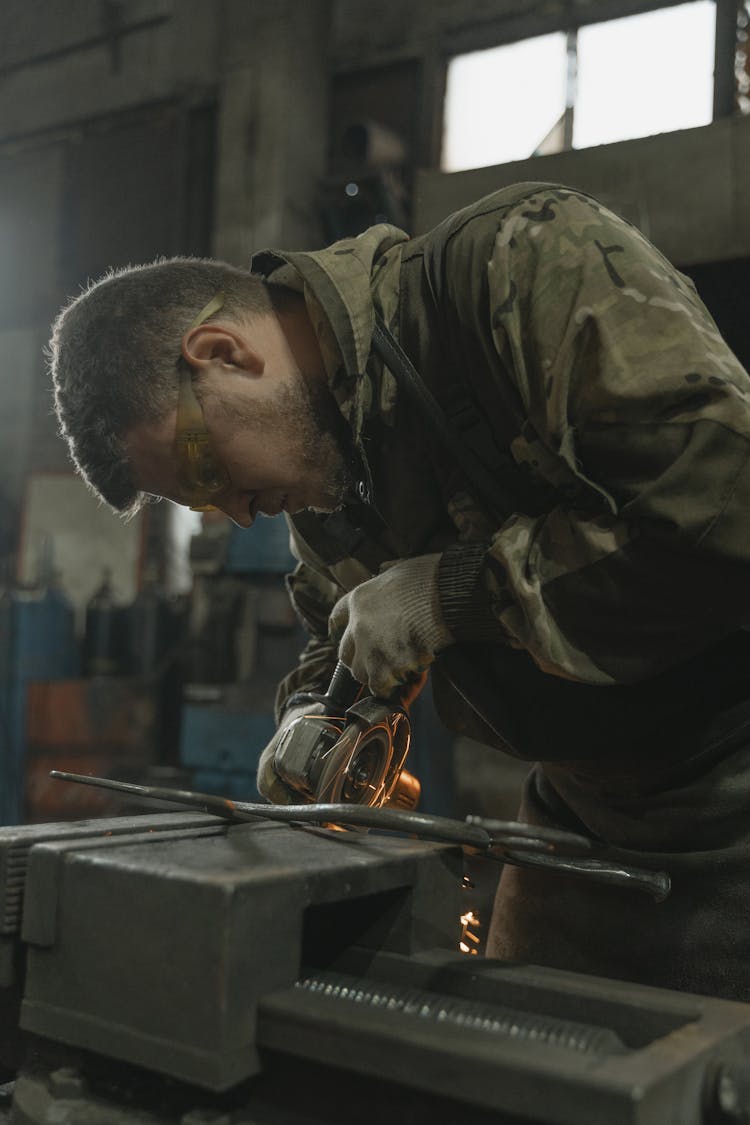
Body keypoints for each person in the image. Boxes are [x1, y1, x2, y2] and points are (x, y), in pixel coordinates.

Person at [48, 181, 750, 1002]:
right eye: (202, 504)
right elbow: (336, 635)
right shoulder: (329, 476)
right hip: (581, 818)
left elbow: (718, 512)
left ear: (225, 354)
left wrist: (452, 596)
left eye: (207, 472)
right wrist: (312, 718)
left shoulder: (515, 264)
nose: (234, 513)